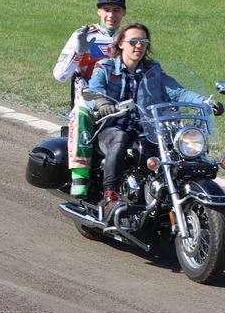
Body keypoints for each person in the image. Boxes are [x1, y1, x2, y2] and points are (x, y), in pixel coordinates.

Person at [83, 23, 222, 211]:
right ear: (121, 44)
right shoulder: (105, 67)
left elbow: (178, 92)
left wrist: (204, 101)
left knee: (178, 147)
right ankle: (110, 194)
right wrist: (102, 104)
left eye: (143, 41)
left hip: (146, 129)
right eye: (133, 41)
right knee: (120, 138)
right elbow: (93, 91)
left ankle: (166, 197)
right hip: (112, 127)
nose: (139, 46)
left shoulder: (153, 70)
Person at [55, 0, 125, 196]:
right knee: (81, 112)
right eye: (106, 10)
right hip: (89, 98)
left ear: (123, 12)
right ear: (98, 12)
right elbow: (60, 75)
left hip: (123, 99)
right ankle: (80, 175)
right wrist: (78, 52)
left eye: (116, 10)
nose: (111, 15)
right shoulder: (85, 35)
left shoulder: (129, 36)